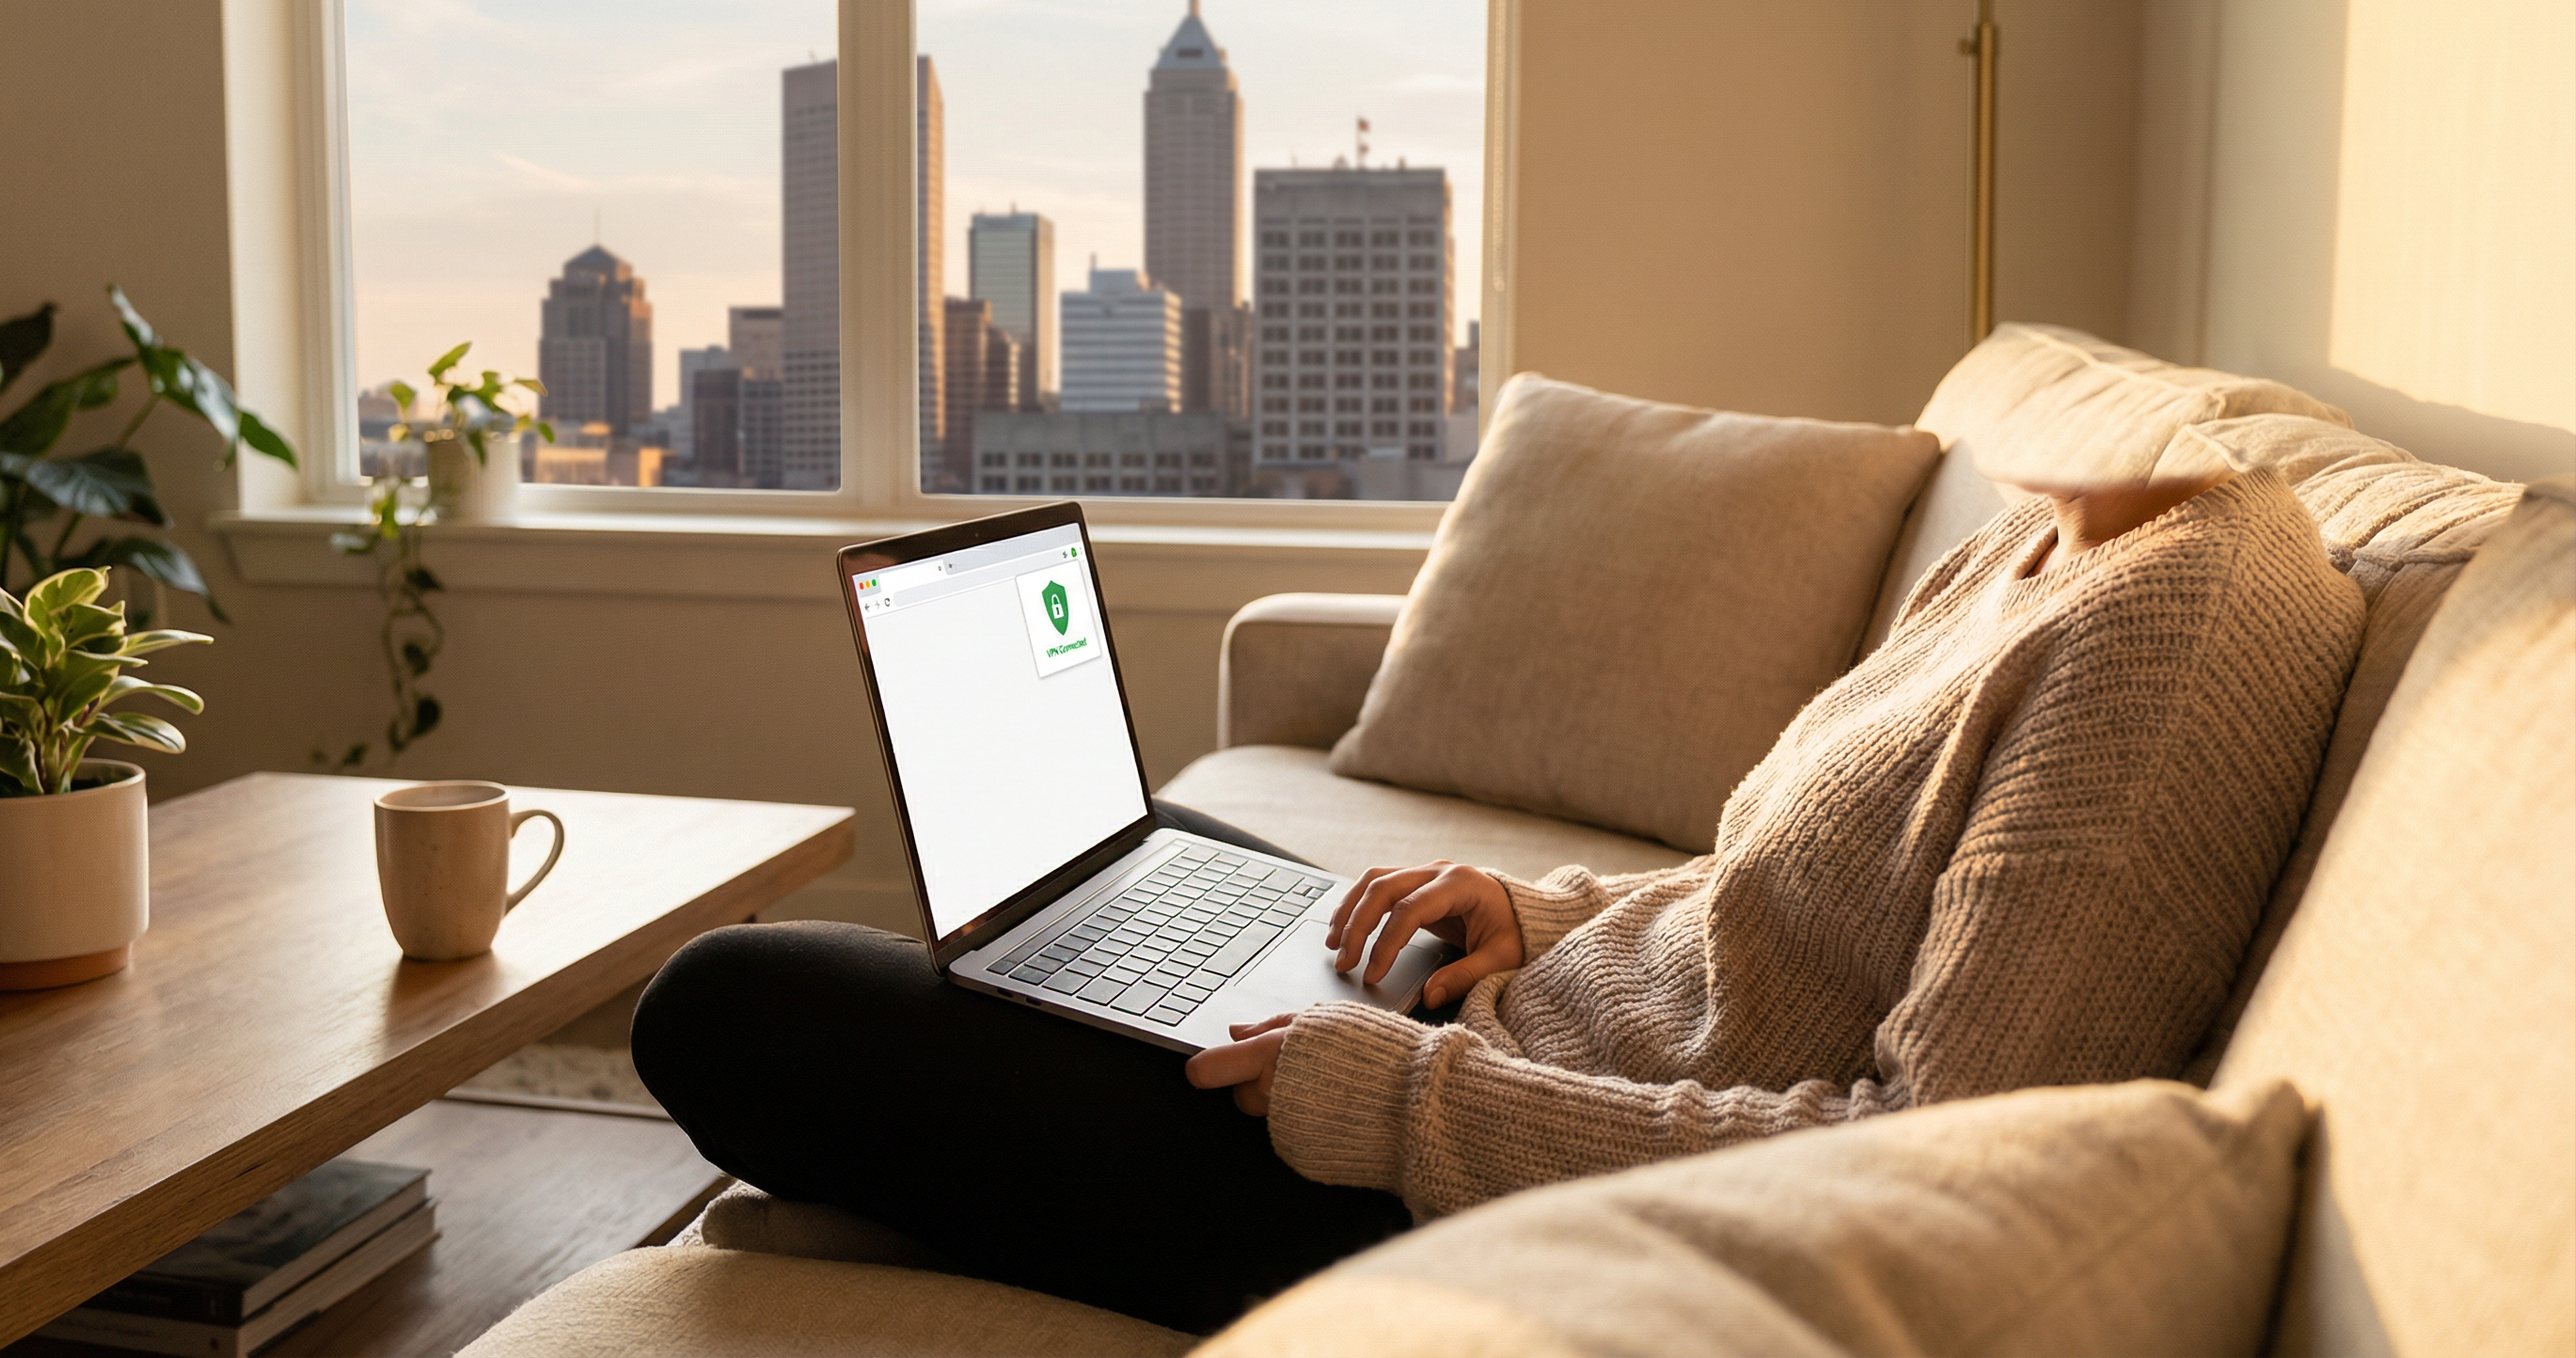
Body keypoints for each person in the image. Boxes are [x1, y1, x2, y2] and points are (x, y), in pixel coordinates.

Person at [632, 464, 2363, 1334]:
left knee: (724, 1002)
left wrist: (1397, 1100)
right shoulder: (2066, 548)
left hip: (1445, 1182)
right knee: (1121, 857)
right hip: (1511, 1038)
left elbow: (1918, 1145)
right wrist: (1550, 916)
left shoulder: (2173, 629)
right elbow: (1786, 898)